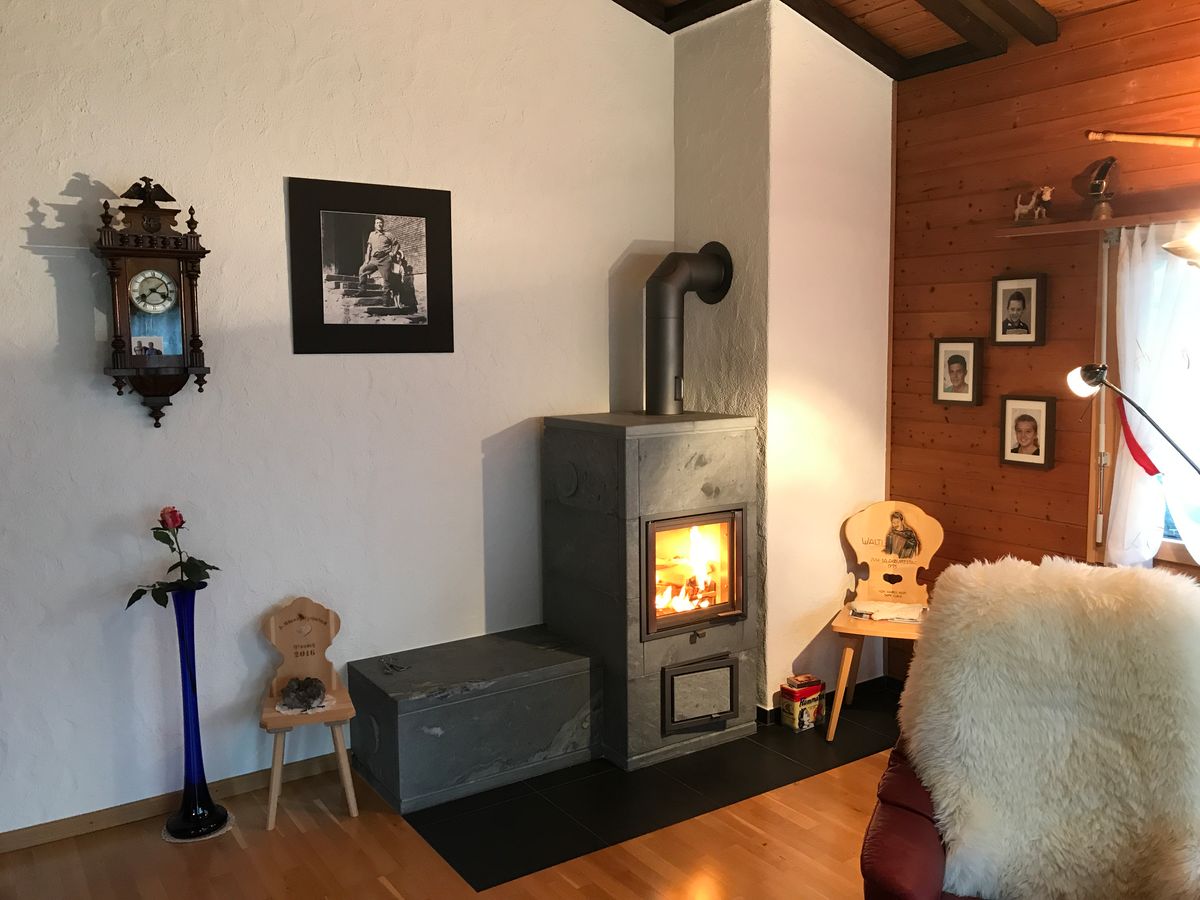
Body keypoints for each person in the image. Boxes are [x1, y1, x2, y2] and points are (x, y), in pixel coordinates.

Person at [358, 217, 397, 289]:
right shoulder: (372, 234)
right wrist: (367, 259)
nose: (379, 224)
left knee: (387, 280)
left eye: (380, 223)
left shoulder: (388, 234)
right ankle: (362, 290)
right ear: (375, 225)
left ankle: (387, 295)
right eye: (377, 223)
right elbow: (369, 247)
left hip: (385, 259)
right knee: (362, 270)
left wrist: (393, 253)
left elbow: (397, 244)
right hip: (374, 259)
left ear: (383, 224)